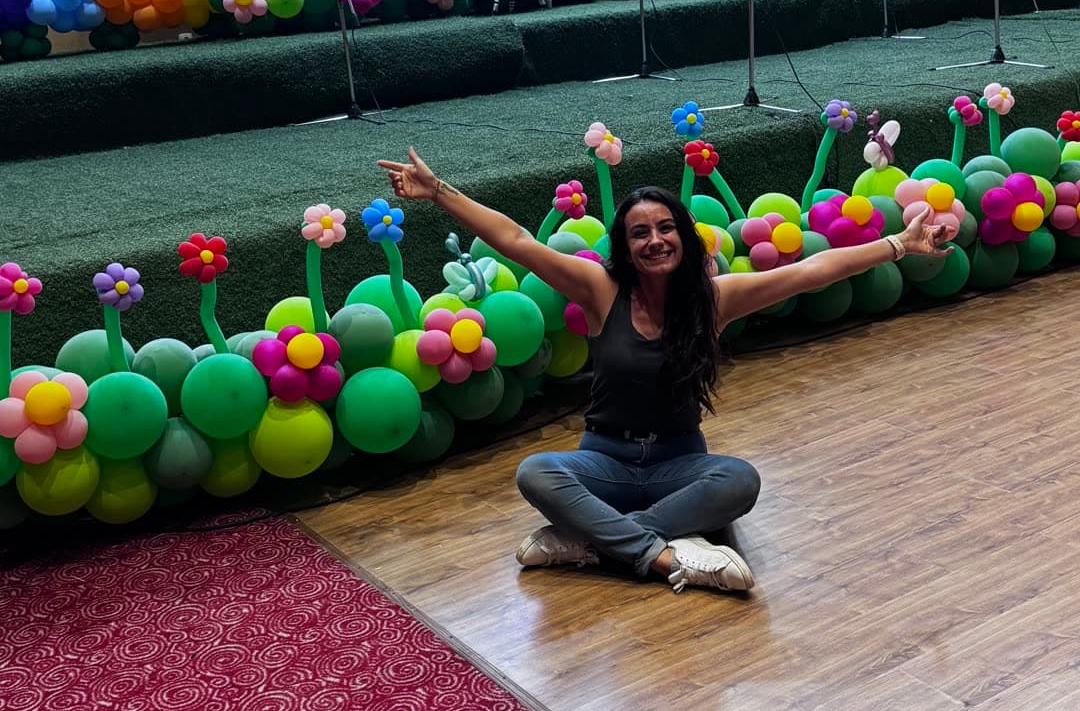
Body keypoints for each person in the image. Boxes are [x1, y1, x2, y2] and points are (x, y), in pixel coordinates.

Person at [376, 152, 949, 595]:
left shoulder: (715, 299)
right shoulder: (601, 290)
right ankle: (665, 555)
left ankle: (595, 543)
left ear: (684, 234)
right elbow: (518, 242)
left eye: (665, 227)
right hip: (604, 458)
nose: (655, 240)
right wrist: (439, 192)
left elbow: (813, 271)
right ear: (625, 247)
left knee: (740, 480)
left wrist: (900, 243)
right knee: (537, 473)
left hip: (680, 460)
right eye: (639, 232)